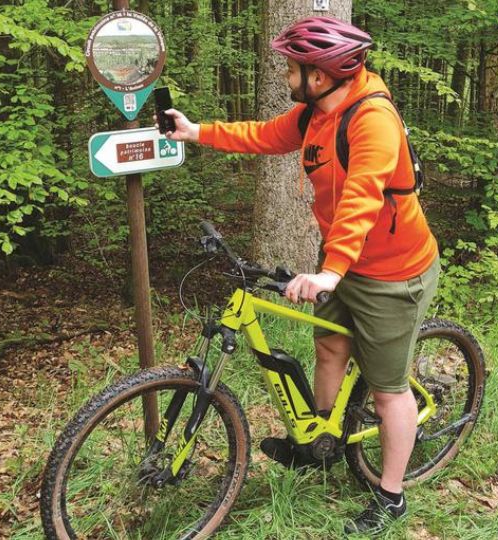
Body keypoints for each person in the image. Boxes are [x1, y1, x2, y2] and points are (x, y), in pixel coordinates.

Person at [161, 16, 440, 536]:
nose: (287, 76)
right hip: (345, 262)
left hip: (391, 272)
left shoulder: (370, 119)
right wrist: (196, 131)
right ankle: (317, 442)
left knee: (387, 391)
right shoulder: (317, 111)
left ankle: (392, 496)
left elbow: (361, 197)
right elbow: (266, 135)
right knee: (330, 348)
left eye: (293, 68)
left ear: (321, 73)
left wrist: (331, 271)